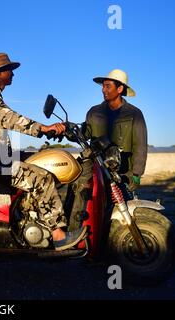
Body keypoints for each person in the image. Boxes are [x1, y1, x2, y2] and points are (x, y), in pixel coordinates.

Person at [0, 52, 87, 251]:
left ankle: (36, 216)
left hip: (1, 156)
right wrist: (44, 128)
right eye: (10, 70)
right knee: (42, 178)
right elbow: (11, 119)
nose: (13, 74)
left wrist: (50, 133)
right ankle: (59, 234)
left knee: (42, 159)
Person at [69, 69, 148, 230]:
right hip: (96, 169)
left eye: (107, 86)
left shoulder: (135, 114)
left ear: (120, 89)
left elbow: (140, 145)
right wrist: (70, 131)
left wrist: (137, 175)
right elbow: (85, 133)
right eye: (103, 86)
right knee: (84, 200)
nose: (103, 90)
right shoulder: (94, 111)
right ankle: (75, 234)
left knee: (124, 211)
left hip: (123, 171)